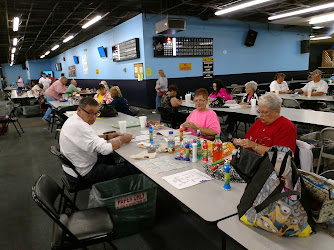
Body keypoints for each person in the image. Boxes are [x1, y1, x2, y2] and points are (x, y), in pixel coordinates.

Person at [59, 97, 136, 185]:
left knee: (110, 157)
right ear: (79, 110)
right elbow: (105, 149)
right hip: (85, 172)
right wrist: (123, 140)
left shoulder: (74, 120)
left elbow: (87, 138)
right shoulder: (80, 126)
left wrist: (107, 136)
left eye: (96, 113)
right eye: (90, 113)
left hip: (76, 166)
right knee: (131, 168)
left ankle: (113, 181)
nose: (93, 117)